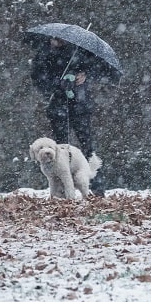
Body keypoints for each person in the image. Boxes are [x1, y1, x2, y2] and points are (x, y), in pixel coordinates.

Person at [30, 37, 106, 196]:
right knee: (60, 149)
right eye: (54, 39)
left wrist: (84, 74)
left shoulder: (78, 51)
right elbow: (37, 78)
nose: (56, 41)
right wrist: (56, 84)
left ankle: (97, 188)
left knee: (87, 146)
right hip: (57, 105)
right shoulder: (43, 54)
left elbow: (95, 68)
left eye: (59, 39)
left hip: (80, 104)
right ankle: (62, 190)